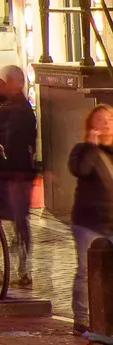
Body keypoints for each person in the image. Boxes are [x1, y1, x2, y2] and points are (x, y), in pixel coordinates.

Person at [0, 65, 39, 287]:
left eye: (4, 81)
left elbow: (7, 141)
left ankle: (14, 266)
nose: (0, 85)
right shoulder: (9, 108)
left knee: (13, 220)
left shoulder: (15, 111)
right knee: (10, 219)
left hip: (12, 175)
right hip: (11, 174)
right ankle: (10, 265)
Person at [73, 106, 113, 333]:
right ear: (91, 125)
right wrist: (91, 147)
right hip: (88, 221)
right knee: (85, 270)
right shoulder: (82, 150)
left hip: (111, 220)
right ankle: (81, 317)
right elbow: (81, 170)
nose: (106, 124)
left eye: (109, 119)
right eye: (100, 120)